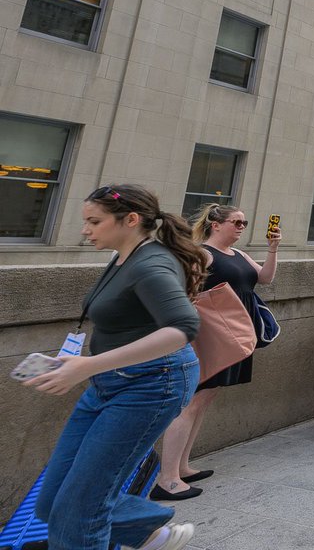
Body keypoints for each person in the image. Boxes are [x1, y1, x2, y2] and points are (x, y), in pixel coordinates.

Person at [25, 184, 204, 550]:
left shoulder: (151, 263)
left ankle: (128, 531)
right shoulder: (126, 254)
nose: (85, 230)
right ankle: (150, 534)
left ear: (131, 220)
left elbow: (183, 328)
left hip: (153, 384)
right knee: (51, 503)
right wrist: (79, 363)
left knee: (77, 509)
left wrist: (88, 364)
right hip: (110, 383)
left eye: (95, 221)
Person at [155, 204, 281, 499]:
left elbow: (265, 279)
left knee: (205, 398)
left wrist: (273, 249)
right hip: (211, 334)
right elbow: (182, 291)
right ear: (216, 224)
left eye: (244, 222)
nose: (241, 227)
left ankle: (183, 466)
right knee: (191, 401)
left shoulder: (238, 254)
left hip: (234, 334)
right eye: (236, 222)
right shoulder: (202, 253)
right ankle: (167, 478)